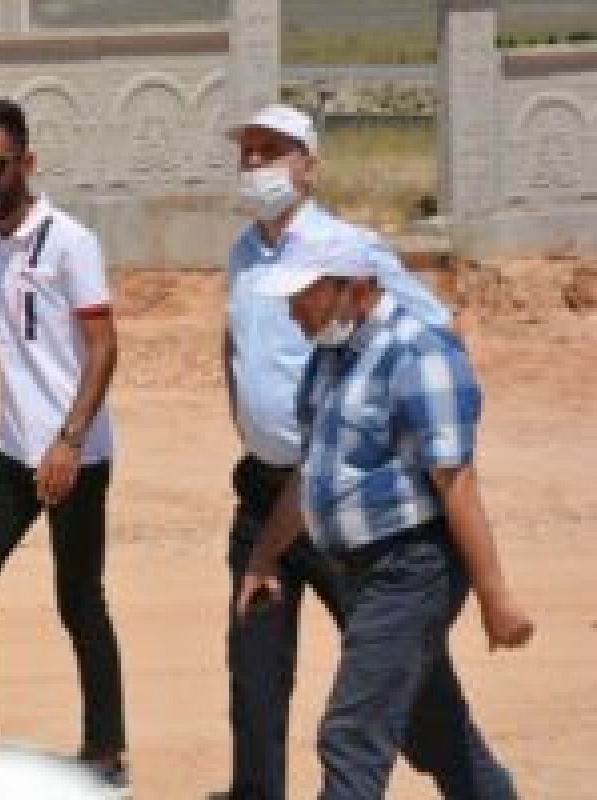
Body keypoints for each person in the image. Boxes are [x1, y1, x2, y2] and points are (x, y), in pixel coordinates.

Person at [235, 232, 532, 799]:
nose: (293, 313)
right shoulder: (328, 359)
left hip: (411, 570)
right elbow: (310, 472)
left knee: (351, 737)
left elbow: (457, 482)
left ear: (356, 288)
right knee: (435, 731)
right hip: (359, 574)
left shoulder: (419, 355)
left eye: (303, 297)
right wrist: (264, 556)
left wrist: (496, 597)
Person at [220, 103, 456, 799]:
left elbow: (433, 330)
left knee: (403, 681)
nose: (255, 163)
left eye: (272, 150)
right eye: (248, 151)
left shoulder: (348, 248)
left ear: (310, 165)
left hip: (337, 499)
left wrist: (386, 438)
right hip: (262, 489)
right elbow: (234, 346)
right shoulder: (243, 253)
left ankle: (472, 778)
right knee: (255, 671)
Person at [0, 96, 130, 796]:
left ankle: (105, 752)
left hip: (76, 457)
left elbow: (104, 348)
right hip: (13, 453)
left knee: (78, 600)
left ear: (27, 162)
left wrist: (70, 441)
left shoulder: (71, 242)